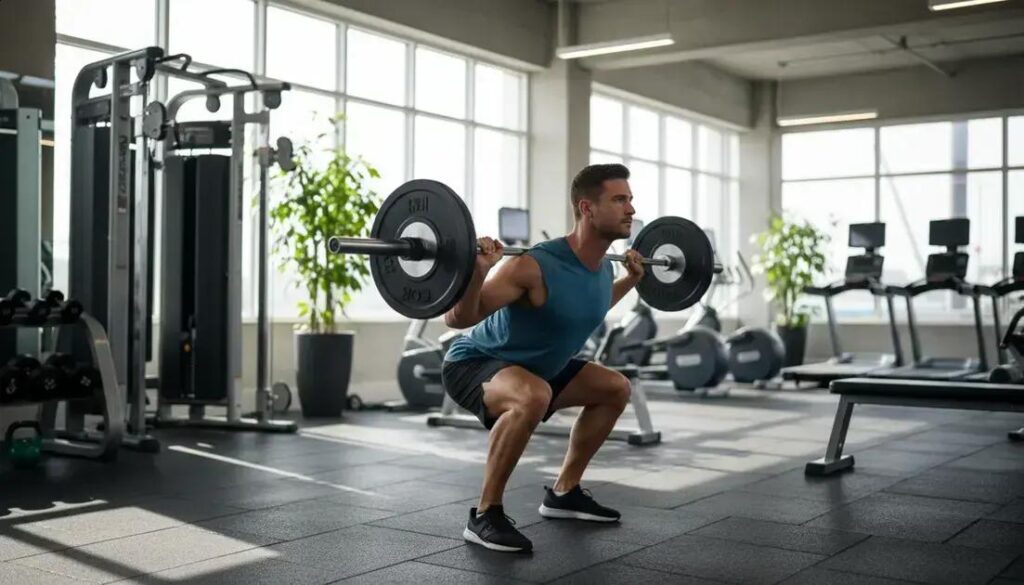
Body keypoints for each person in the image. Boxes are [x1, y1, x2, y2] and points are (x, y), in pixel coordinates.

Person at [442, 163, 645, 553]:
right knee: (532, 395)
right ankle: (485, 514)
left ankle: (564, 493)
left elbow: (587, 307)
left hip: (538, 370)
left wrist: (631, 281)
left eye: (630, 200)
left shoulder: (602, 268)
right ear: (587, 208)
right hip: (475, 363)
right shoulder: (533, 264)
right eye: (620, 200)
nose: (631, 210)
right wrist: (478, 272)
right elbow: (457, 319)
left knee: (615, 388)